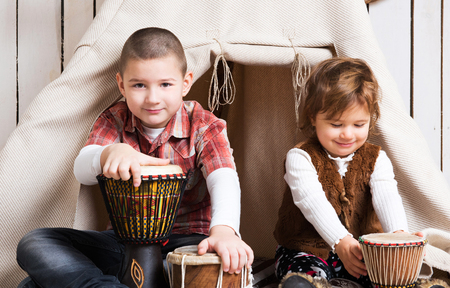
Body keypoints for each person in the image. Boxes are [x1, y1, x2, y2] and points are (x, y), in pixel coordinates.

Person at [16, 27, 253, 288]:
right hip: (122, 245)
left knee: (33, 285)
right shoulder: (114, 119)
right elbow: (81, 169)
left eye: (165, 84)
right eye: (139, 85)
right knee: (34, 243)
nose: (152, 98)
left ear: (185, 83)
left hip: (186, 245)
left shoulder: (204, 125)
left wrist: (224, 231)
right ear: (121, 85)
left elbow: (224, 176)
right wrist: (108, 153)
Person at [273, 57, 422, 288]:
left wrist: (399, 237)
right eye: (336, 124)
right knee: (302, 273)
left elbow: (387, 197)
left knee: (388, 276)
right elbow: (311, 201)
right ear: (313, 116)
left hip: (359, 253)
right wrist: (340, 240)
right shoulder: (300, 157)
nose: (348, 135)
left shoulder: (376, 158)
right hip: (308, 249)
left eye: (358, 125)